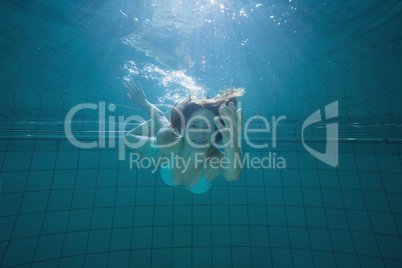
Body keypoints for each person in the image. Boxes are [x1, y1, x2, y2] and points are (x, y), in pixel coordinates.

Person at [124, 79, 245, 194]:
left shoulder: (215, 158)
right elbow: (159, 116)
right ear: (183, 129)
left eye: (207, 127)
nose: (200, 134)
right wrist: (143, 102)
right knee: (129, 139)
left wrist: (232, 140)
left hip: (192, 179)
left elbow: (232, 176)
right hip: (166, 156)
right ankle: (175, 116)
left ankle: (179, 115)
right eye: (194, 125)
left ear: (215, 132)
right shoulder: (168, 141)